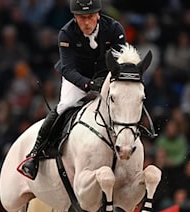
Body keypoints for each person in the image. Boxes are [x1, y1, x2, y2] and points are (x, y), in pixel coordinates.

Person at [19, 0, 126, 180]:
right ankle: (35, 155)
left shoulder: (114, 29)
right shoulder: (66, 33)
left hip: (106, 75)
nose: (86, 22)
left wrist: (107, 81)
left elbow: (120, 61)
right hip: (77, 77)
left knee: (126, 101)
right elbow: (68, 69)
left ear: (98, 14)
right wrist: (89, 85)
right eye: (81, 17)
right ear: (74, 17)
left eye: (90, 17)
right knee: (65, 105)